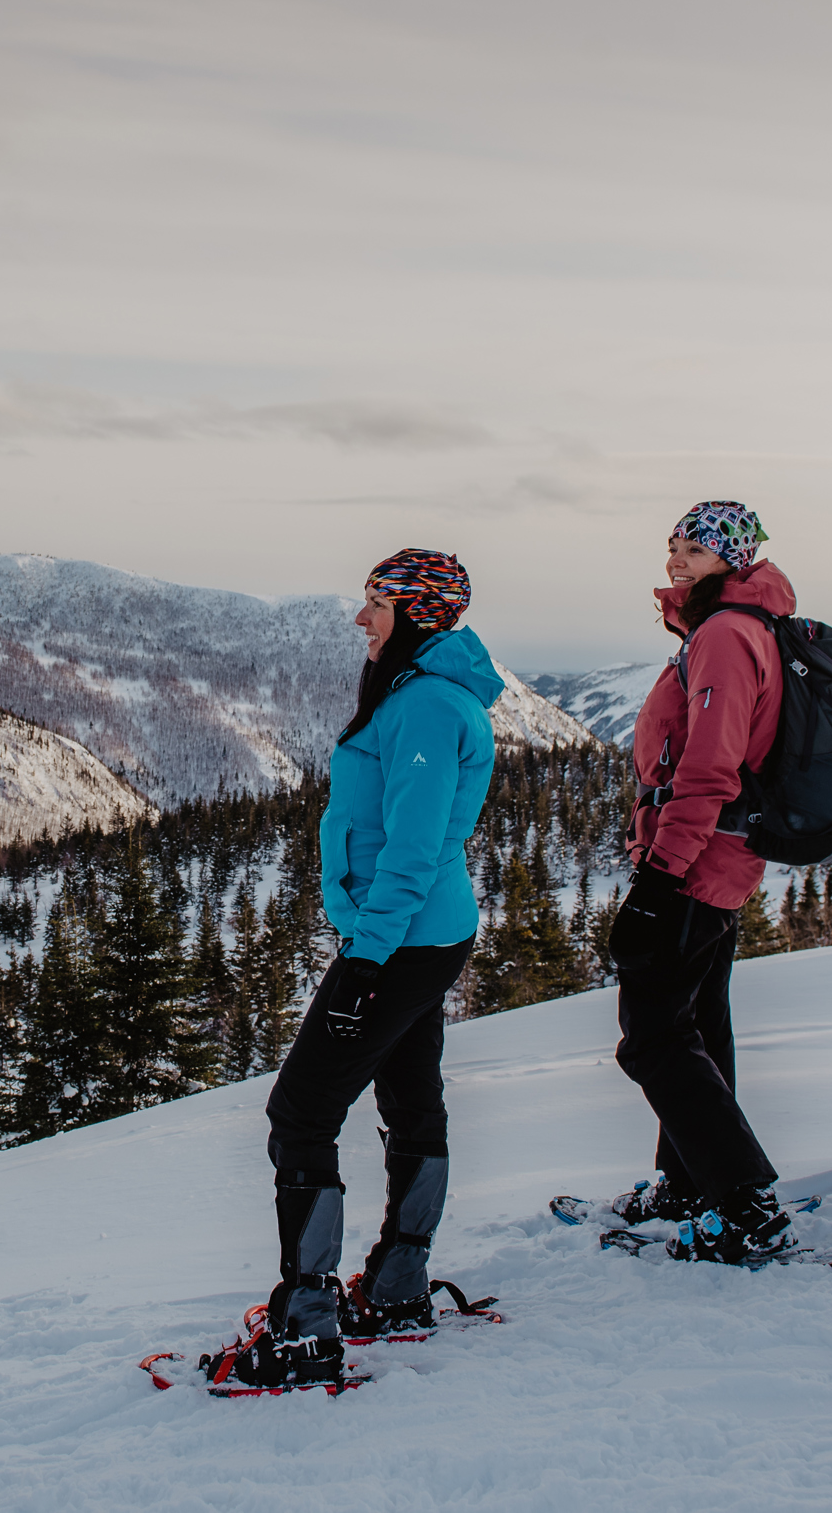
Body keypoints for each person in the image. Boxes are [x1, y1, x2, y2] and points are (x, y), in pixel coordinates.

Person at [235, 548, 501, 1388]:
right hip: (422, 935)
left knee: (301, 1112)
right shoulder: (418, 691)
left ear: (417, 614)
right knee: (409, 1097)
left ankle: (308, 1325)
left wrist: (365, 958)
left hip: (403, 938)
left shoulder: (424, 705)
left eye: (376, 605)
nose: (361, 620)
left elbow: (415, 845)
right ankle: (396, 1288)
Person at [606, 500, 796, 1263]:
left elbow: (708, 766)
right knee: (698, 1023)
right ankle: (687, 1183)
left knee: (650, 1035)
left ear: (731, 558)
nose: (674, 560)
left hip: (696, 859)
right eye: (672, 546)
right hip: (716, 856)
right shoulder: (732, 628)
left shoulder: (723, 636)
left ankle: (745, 1205)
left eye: (691, 548)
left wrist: (659, 876)